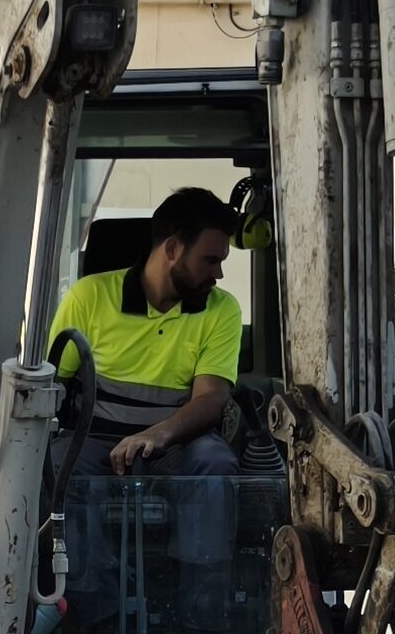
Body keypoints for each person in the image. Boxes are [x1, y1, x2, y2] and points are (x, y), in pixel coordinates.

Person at [46, 186, 247, 479]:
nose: (218, 275)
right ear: (172, 248)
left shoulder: (222, 310)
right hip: (92, 444)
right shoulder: (87, 297)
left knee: (215, 462)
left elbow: (211, 398)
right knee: (52, 464)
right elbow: (52, 388)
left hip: (178, 446)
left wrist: (157, 435)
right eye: (210, 260)